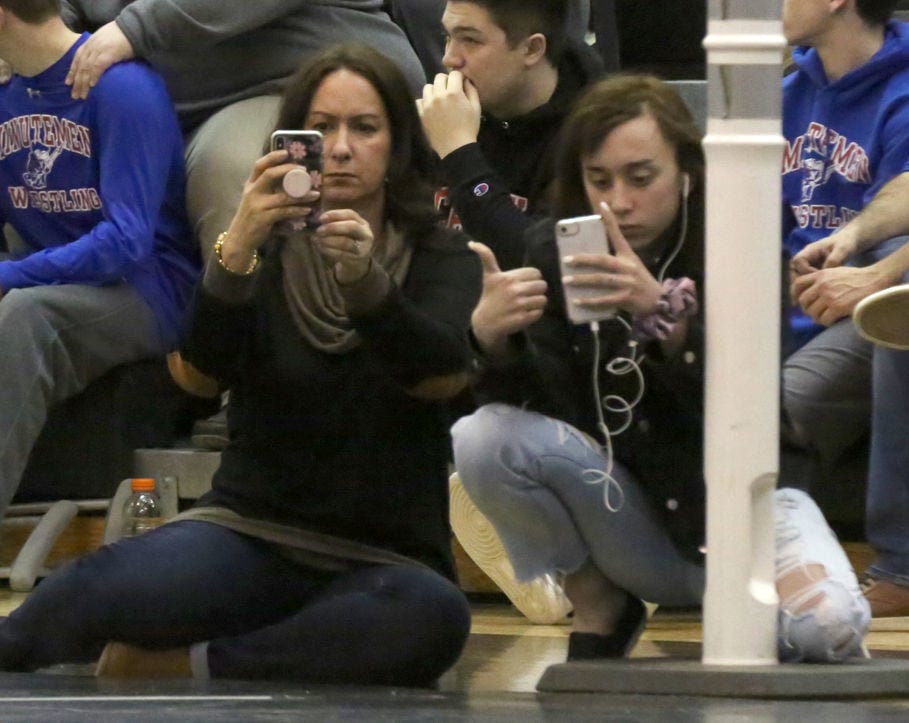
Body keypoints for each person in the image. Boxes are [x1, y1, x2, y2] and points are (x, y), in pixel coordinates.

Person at [0, 41, 480, 685]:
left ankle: (190, 663)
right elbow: (195, 380)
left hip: (384, 556)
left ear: (396, 146)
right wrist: (234, 255)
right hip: (248, 532)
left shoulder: (440, 254)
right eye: (320, 128)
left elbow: (439, 373)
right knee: (94, 586)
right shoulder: (261, 251)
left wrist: (366, 283)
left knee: (432, 621)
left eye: (364, 128)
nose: (338, 148)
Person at [451, 74, 870, 662]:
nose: (619, 201)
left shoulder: (738, 246)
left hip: (747, 512)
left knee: (830, 630)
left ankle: (751, 614)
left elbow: (753, 408)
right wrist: (493, 341)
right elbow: (543, 415)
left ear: (687, 174)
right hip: (630, 515)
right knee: (482, 437)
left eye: (641, 178)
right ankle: (598, 601)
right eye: (600, 180)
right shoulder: (556, 250)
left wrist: (663, 318)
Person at [0, 2, 198, 513]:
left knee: (25, 315)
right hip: (54, 281)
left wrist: (11, 276)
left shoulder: (121, 87)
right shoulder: (7, 94)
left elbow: (125, 242)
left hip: (149, 287)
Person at [59, 0, 427, 258]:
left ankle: (241, 353)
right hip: (152, 106)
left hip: (299, 84)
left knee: (231, 168)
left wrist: (134, 29)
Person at [781, 0, 909, 616]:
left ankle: (901, 566)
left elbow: (905, 195)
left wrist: (866, 268)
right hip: (793, 308)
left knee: (777, 416)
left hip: (865, 313)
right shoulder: (786, 92)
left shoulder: (905, 86)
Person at [417, 0, 604, 271]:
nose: (449, 58)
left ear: (532, 49)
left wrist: (459, 153)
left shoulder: (596, 135)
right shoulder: (449, 110)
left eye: (470, 39)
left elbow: (544, 265)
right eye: (448, 36)